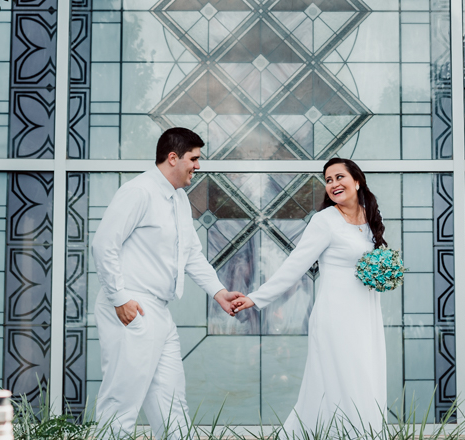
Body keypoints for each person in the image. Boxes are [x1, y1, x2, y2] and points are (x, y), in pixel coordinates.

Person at [90, 127, 243, 435]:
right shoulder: (138, 191)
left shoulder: (179, 199)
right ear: (173, 158)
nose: (198, 166)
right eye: (194, 158)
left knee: (172, 403)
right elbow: (103, 244)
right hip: (131, 306)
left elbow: (191, 254)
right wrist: (120, 298)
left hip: (159, 312)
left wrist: (219, 292)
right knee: (121, 402)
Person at [231, 158, 388, 436]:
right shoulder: (324, 221)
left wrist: (387, 273)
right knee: (346, 381)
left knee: (366, 377)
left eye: (339, 177)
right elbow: (295, 265)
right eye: (328, 180)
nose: (334, 184)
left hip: (366, 314)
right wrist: (256, 298)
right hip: (336, 317)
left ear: (357, 180)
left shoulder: (369, 215)